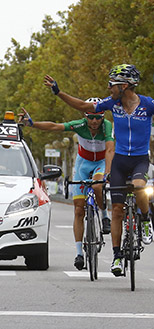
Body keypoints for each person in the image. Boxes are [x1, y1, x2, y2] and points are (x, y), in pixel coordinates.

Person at [43, 64, 154, 276]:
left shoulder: (148, 104)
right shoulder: (112, 104)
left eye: (112, 84)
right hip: (120, 161)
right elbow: (83, 105)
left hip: (140, 159)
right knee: (118, 211)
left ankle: (146, 220)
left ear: (125, 85)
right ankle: (117, 256)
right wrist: (58, 92)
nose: (108, 87)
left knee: (140, 186)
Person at [18, 100, 114, 270]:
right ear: (85, 116)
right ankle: (79, 253)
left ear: (103, 116)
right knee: (78, 209)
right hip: (83, 163)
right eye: (90, 118)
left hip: (100, 162)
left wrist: (107, 172)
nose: (94, 122)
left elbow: (109, 150)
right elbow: (54, 126)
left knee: (98, 186)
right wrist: (31, 124)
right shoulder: (79, 125)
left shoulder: (107, 126)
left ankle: (105, 215)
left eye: (97, 118)